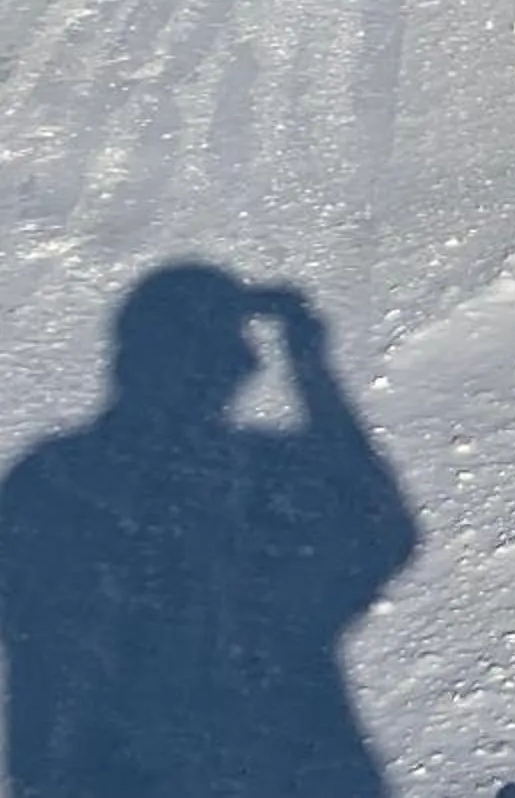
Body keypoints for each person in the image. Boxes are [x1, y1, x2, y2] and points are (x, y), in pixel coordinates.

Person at [0, 263, 417, 797]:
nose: (244, 365)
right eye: (225, 350)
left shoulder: (259, 472)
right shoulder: (64, 483)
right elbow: (49, 666)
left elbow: (379, 532)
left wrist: (311, 368)